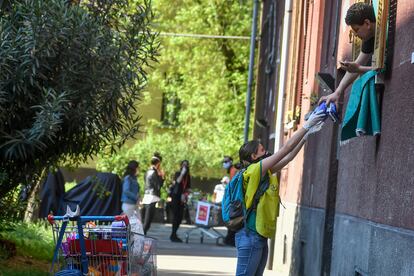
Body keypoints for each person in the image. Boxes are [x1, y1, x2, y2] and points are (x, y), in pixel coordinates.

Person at [234, 112, 325, 275]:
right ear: (254, 156)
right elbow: (285, 149)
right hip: (250, 236)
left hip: (258, 236)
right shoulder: (256, 170)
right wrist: (307, 126)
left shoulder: (263, 172)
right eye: (262, 150)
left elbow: (288, 157)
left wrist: (306, 135)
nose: (266, 151)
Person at [319, 2, 376, 107]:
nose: (356, 35)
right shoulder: (369, 38)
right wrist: (337, 92)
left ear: (367, 24)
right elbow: (357, 65)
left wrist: (359, 69)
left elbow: (380, 68)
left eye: (356, 30)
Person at [141, 153, 165, 235]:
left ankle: (143, 234)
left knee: (146, 219)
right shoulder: (154, 173)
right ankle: (142, 235)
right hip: (152, 196)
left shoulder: (147, 172)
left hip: (147, 195)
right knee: (148, 219)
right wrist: (162, 177)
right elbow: (158, 186)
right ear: (158, 163)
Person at [170, 160, 191, 242]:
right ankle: (173, 234)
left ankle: (174, 233)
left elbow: (188, 187)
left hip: (182, 198)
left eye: (186, 165)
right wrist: (182, 173)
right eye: (183, 165)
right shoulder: (178, 173)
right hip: (176, 196)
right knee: (176, 216)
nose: (185, 167)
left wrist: (186, 194)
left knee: (180, 217)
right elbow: (177, 181)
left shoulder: (188, 176)